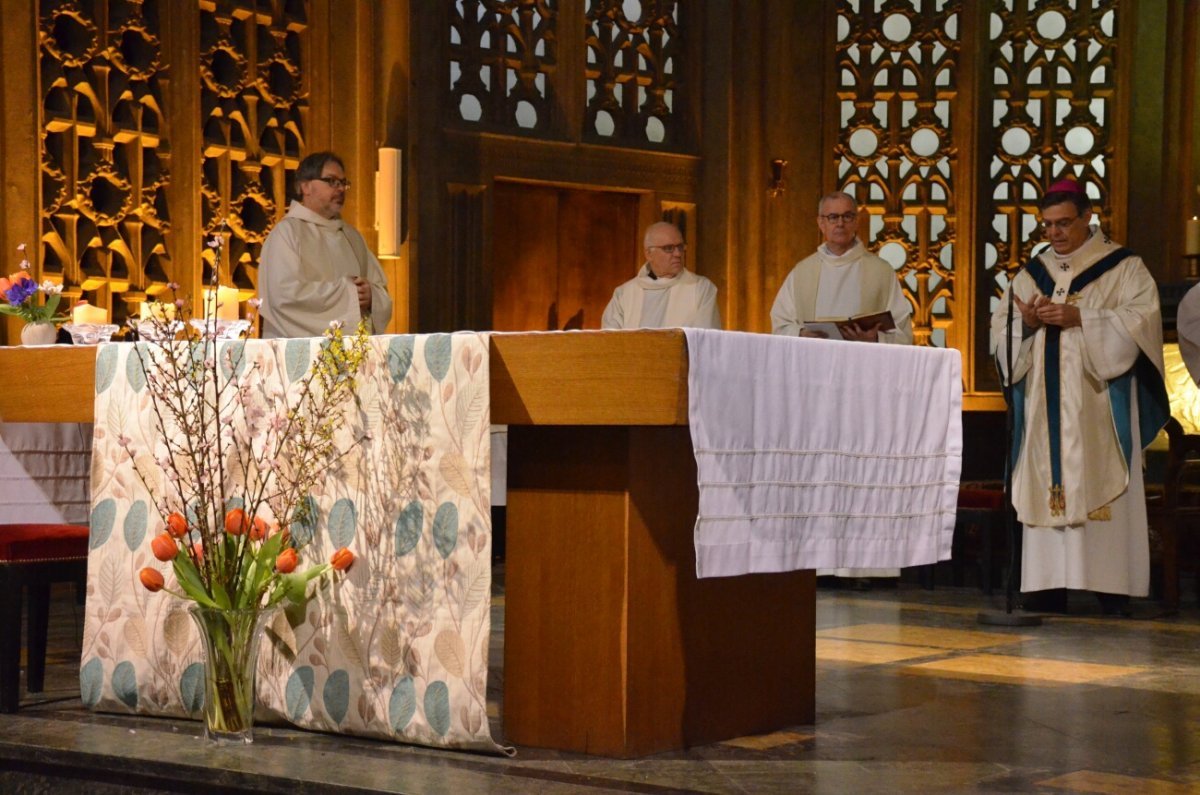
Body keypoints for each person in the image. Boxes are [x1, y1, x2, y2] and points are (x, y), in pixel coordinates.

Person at [990, 178, 1168, 616]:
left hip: (1099, 403)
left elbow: (1141, 322)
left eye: (1064, 223)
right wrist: (1028, 325)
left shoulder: (1124, 267)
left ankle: (1110, 586)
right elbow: (1001, 338)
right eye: (1047, 225)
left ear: (1089, 217)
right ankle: (1047, 585)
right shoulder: (1031, 274)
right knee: (1044, 482)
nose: (1055, 234)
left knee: (1102, 480)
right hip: (1044, 408)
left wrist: (1081, 318)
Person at [259, 151, 393, 338]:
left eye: (343, 183)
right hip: (299, 354)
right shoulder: (287, 233)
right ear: (305, 186)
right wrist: (348, 294)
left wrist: (371, 296)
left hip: (351, 358)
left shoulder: (352, 237)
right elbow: (283, 297)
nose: (340, 189)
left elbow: (381, 291)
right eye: (331, 181)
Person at [770, 191, 913, 344]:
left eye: (847, 216)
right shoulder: (802, 273)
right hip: (814, 362)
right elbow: (780, 326)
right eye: (833, 217)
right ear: (821, 223)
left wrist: (875, 338)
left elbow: (903, 333)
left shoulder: (881, 271)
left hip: (862, 363)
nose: (840, 223)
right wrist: (802, 334)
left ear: (856, 221)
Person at [600, 222, 721, 329]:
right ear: (648, 254)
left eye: (680, 247)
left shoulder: (701, 289)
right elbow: (611, 343)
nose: (678, 253)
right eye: (669, 248)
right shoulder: (624, 294)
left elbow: (705, 341)